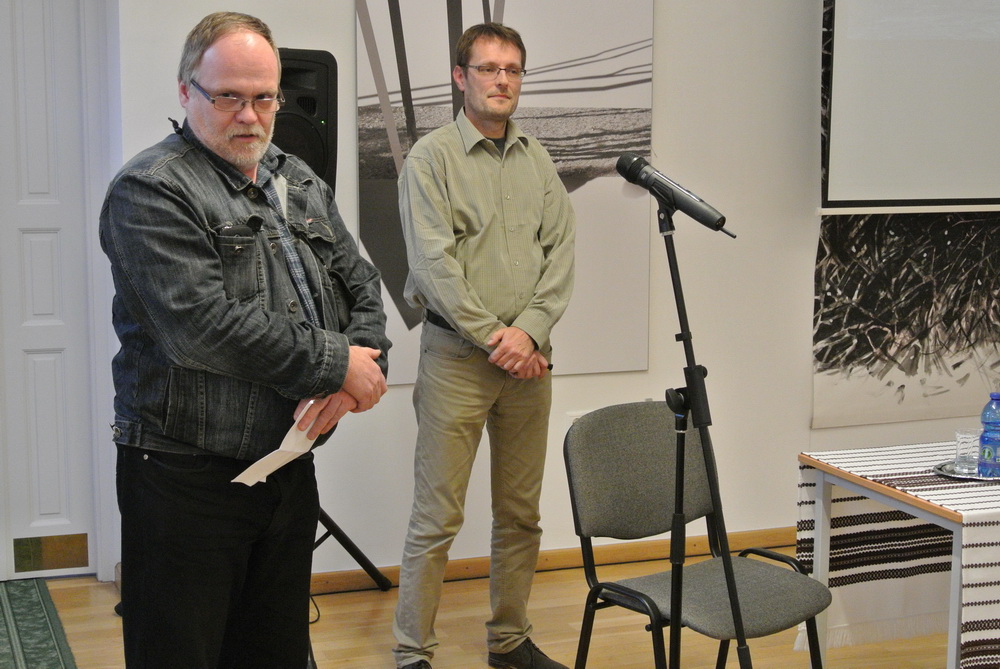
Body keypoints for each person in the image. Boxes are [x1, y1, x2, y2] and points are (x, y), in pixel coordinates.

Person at [99, 12, 389, 668]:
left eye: (265, 97)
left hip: (286, 468)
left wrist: (350, 376)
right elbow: (202, 326)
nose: (250, 116)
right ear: (186, 91)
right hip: (184, 478)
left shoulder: (297, 176)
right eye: (228, 96)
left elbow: (362, 286)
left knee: (274, 652)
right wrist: (336, 363)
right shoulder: (150, 190)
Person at [392, 22, 575, 669]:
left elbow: (560, 254)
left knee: (521, 514)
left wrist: (530, 332)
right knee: (436, 518)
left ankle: (509, 640)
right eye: (488, 68)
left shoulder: (538, 160)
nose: (502, 80)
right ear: (459, 76)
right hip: (458, 361)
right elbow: (433, 267)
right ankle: (412, 652)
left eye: (513, 70)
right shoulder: (430, 159)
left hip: (530, 363)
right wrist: (502, 337)